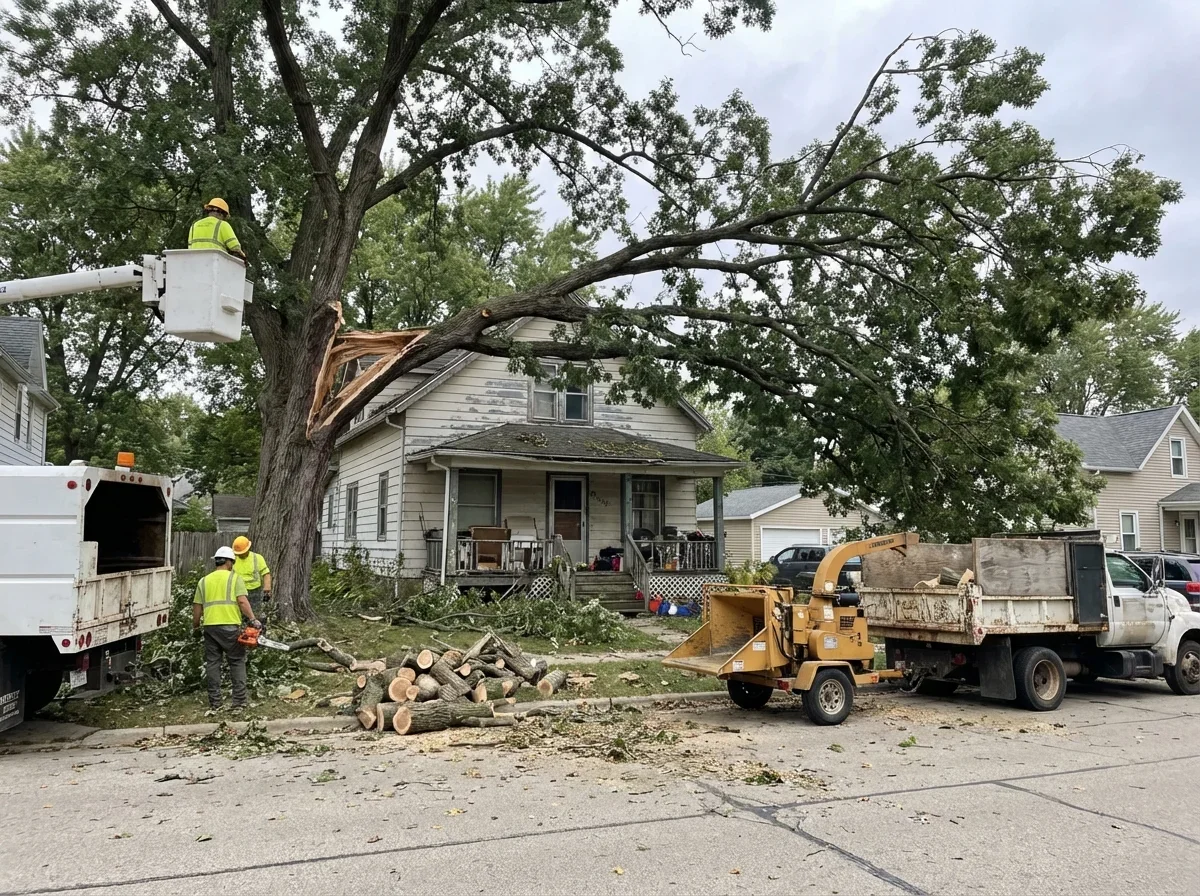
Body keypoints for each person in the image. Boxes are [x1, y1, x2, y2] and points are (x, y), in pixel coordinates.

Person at [193, 546, 259, 712]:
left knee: (213, 663)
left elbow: (197, 607)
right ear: (229, 562)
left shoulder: (204, 581)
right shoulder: (234, 579)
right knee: (236, 661)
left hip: (210, 627)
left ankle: (215, 703)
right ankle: (239, 702)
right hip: (230, 626)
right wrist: (253, 620)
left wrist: (195, 626)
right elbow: (242, 601)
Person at [232, 535, 272, 615]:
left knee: (254, 613)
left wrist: (267, 587)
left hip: (254, 591)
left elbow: (266, 573)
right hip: (238, 591)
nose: (240, 555)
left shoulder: (257, 558)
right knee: (238, 613)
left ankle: (253, 626)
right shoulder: (233, 559)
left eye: (242, 553)